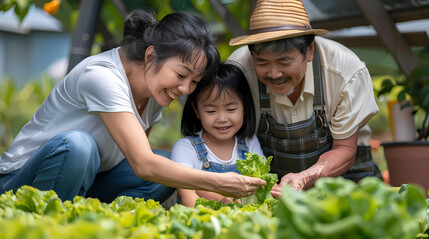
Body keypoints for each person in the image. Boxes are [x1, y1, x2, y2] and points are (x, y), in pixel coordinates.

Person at [0, 10, 265, 203]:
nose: (185, 90)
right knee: (78, 146)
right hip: (19, 183)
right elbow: (141, 163)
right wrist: (219, 181)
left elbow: (140, 161)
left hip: (89, 180)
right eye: (181, 75)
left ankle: (94, 217)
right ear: (151, 56)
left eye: (195, 81)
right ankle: (49, 221)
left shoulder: (154, 91)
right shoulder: (102, 76)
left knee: (165, 166)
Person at [226, 0, 382, 197]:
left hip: (349, 177)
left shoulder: (346, 71)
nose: (274, 74)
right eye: (262, 62)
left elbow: (344, 149)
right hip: (274, 189)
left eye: (284, 61)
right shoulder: (238, 71)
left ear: (309, 50)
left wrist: (305, 178)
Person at [170, 63, 266, 207]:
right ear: (196, 110)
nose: (222, 118)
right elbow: (187, 197)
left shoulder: (249, 142)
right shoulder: (186, 148)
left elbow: (261, 186)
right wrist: (222, 203)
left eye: (231, 109)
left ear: (245, 108)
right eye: (211, 111)